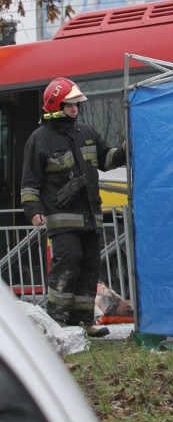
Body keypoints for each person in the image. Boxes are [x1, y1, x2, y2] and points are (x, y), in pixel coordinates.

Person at [21, 77, 127, 337]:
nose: (75, 109)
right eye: (69, 105)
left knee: (91, 267)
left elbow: (107, 159)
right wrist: (33, 210)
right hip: (62, 217)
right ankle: (57, 322)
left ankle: (84, 322)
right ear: (55, 106)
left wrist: (124, 149)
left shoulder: (87, 133)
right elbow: (30, 181)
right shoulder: (40, 139)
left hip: (91, 215)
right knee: (68, 263)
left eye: (76, 105)